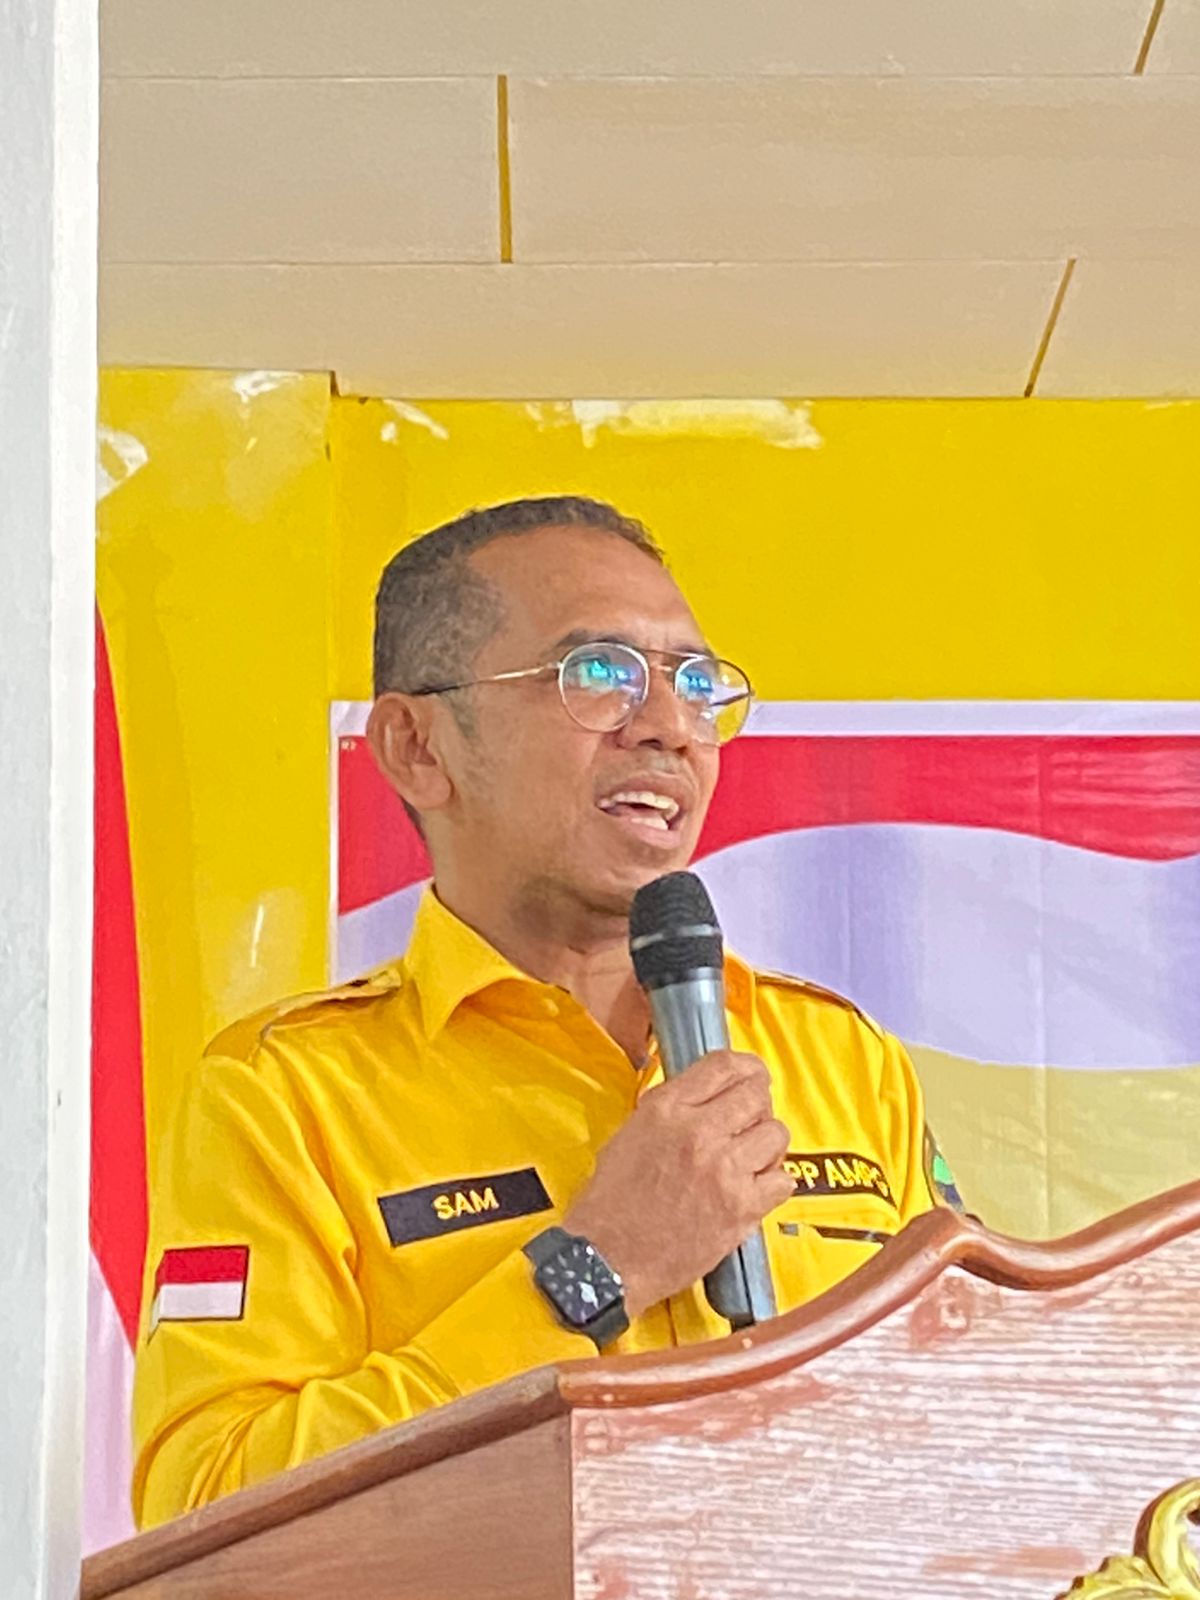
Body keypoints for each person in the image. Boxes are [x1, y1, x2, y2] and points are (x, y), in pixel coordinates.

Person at [132, 495, 955, 1529]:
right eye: (599, 675)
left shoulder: (843, 1058)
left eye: (697, 684)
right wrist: (594, 1269)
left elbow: (976, 1416)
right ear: (417, 746)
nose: (670, 729)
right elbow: (209, 1509)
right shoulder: (285, 1094)